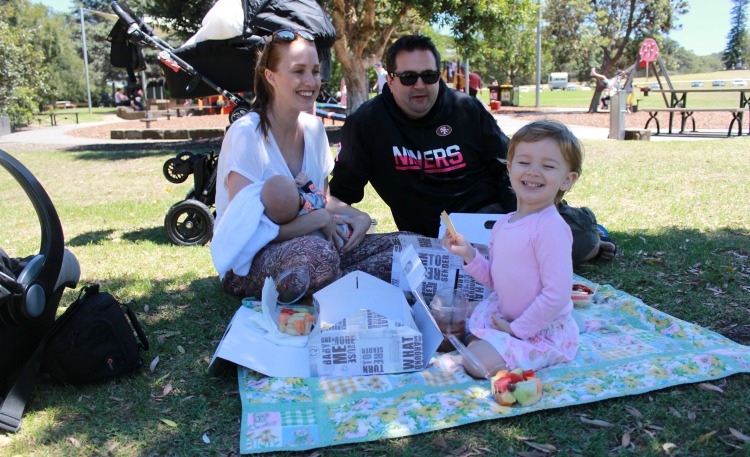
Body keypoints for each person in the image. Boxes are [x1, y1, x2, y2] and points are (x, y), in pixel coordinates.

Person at [328, 35, 615, 265]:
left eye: (429, 76)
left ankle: (588, 230)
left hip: (491, 216)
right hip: (430, 235)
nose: (420, 85)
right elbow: (341, 192)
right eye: (408, 78)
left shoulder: (466, 109)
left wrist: (518, 224)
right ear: (389, 80)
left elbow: (508, 165)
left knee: (569, 242)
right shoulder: (366, 123)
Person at [211, 28, 400, 299]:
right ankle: (357, 283)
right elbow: (246, 231)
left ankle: (345, 281)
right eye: (298, 71)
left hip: (313, 242)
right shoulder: (246, 134)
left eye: (314, 70)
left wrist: (360, 217)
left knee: (405, 246)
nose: (310, 81)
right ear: (271, 77)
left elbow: (322, 198)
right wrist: (317, 220)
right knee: (318, 256)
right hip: (248, 262)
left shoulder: (314, 128)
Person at [441, 120, 582, 377]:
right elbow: (498, 280)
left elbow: (556, 295)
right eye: (524, 162)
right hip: (508, 315)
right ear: (509, 168)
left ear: (567, 180)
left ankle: (500, 347)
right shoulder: (504, 223)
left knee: (475, 362)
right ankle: (489, 342)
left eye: (548, 166)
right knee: (455, 322)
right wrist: (469, 254)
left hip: (539, 328)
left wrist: (518, 330)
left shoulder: (550, 228)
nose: (533, 172)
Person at [260, 173, 351, 245]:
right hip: (341, 231)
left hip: (323, 242)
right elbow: (323, 199)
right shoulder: (308, 202)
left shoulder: (289, 222)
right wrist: (307, 184)